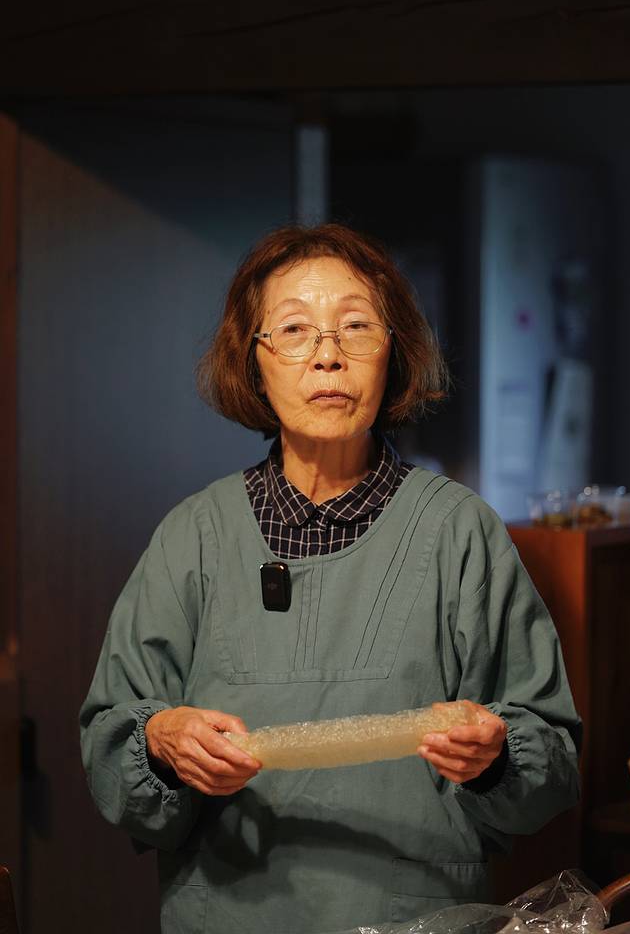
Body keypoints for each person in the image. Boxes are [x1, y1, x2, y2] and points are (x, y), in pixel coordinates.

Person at [79, 224, 581, 934]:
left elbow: (550, 760)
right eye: (293, 329)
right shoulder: (192, 537)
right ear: (254, 363)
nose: (327, 355)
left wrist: (495, 756)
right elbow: (112, 745)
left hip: (418, 919)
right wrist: (162, 740)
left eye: (356, 327)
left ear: (393, 353)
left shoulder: (460, 531)